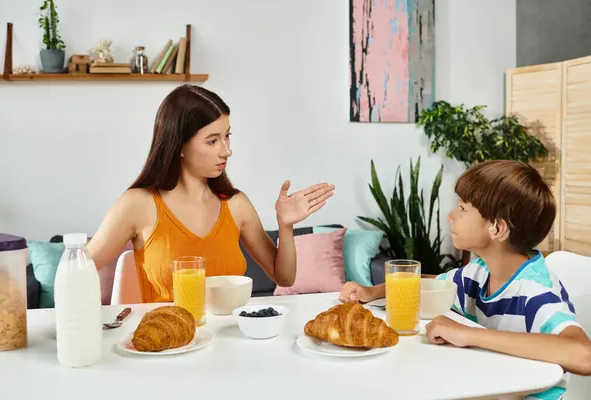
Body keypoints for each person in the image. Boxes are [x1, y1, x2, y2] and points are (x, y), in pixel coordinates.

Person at [339, 160, 591, 396]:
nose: (451, 216)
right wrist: (372, 292)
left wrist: (469, 334)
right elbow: (431, 285)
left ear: (497, 228)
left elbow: (583, 355)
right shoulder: (478, 272)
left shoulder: (536, 289)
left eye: (462, 208)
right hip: (487, 387)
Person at [87, 85, 334, 303]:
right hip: (168, 347)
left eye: (227, 136)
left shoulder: (236, 205)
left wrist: (285, 226)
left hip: (231, 343)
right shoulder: (138, 205)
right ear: (179, 146)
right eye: (212, 141)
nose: (227, 151)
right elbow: (76, 269)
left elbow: (285, 278)